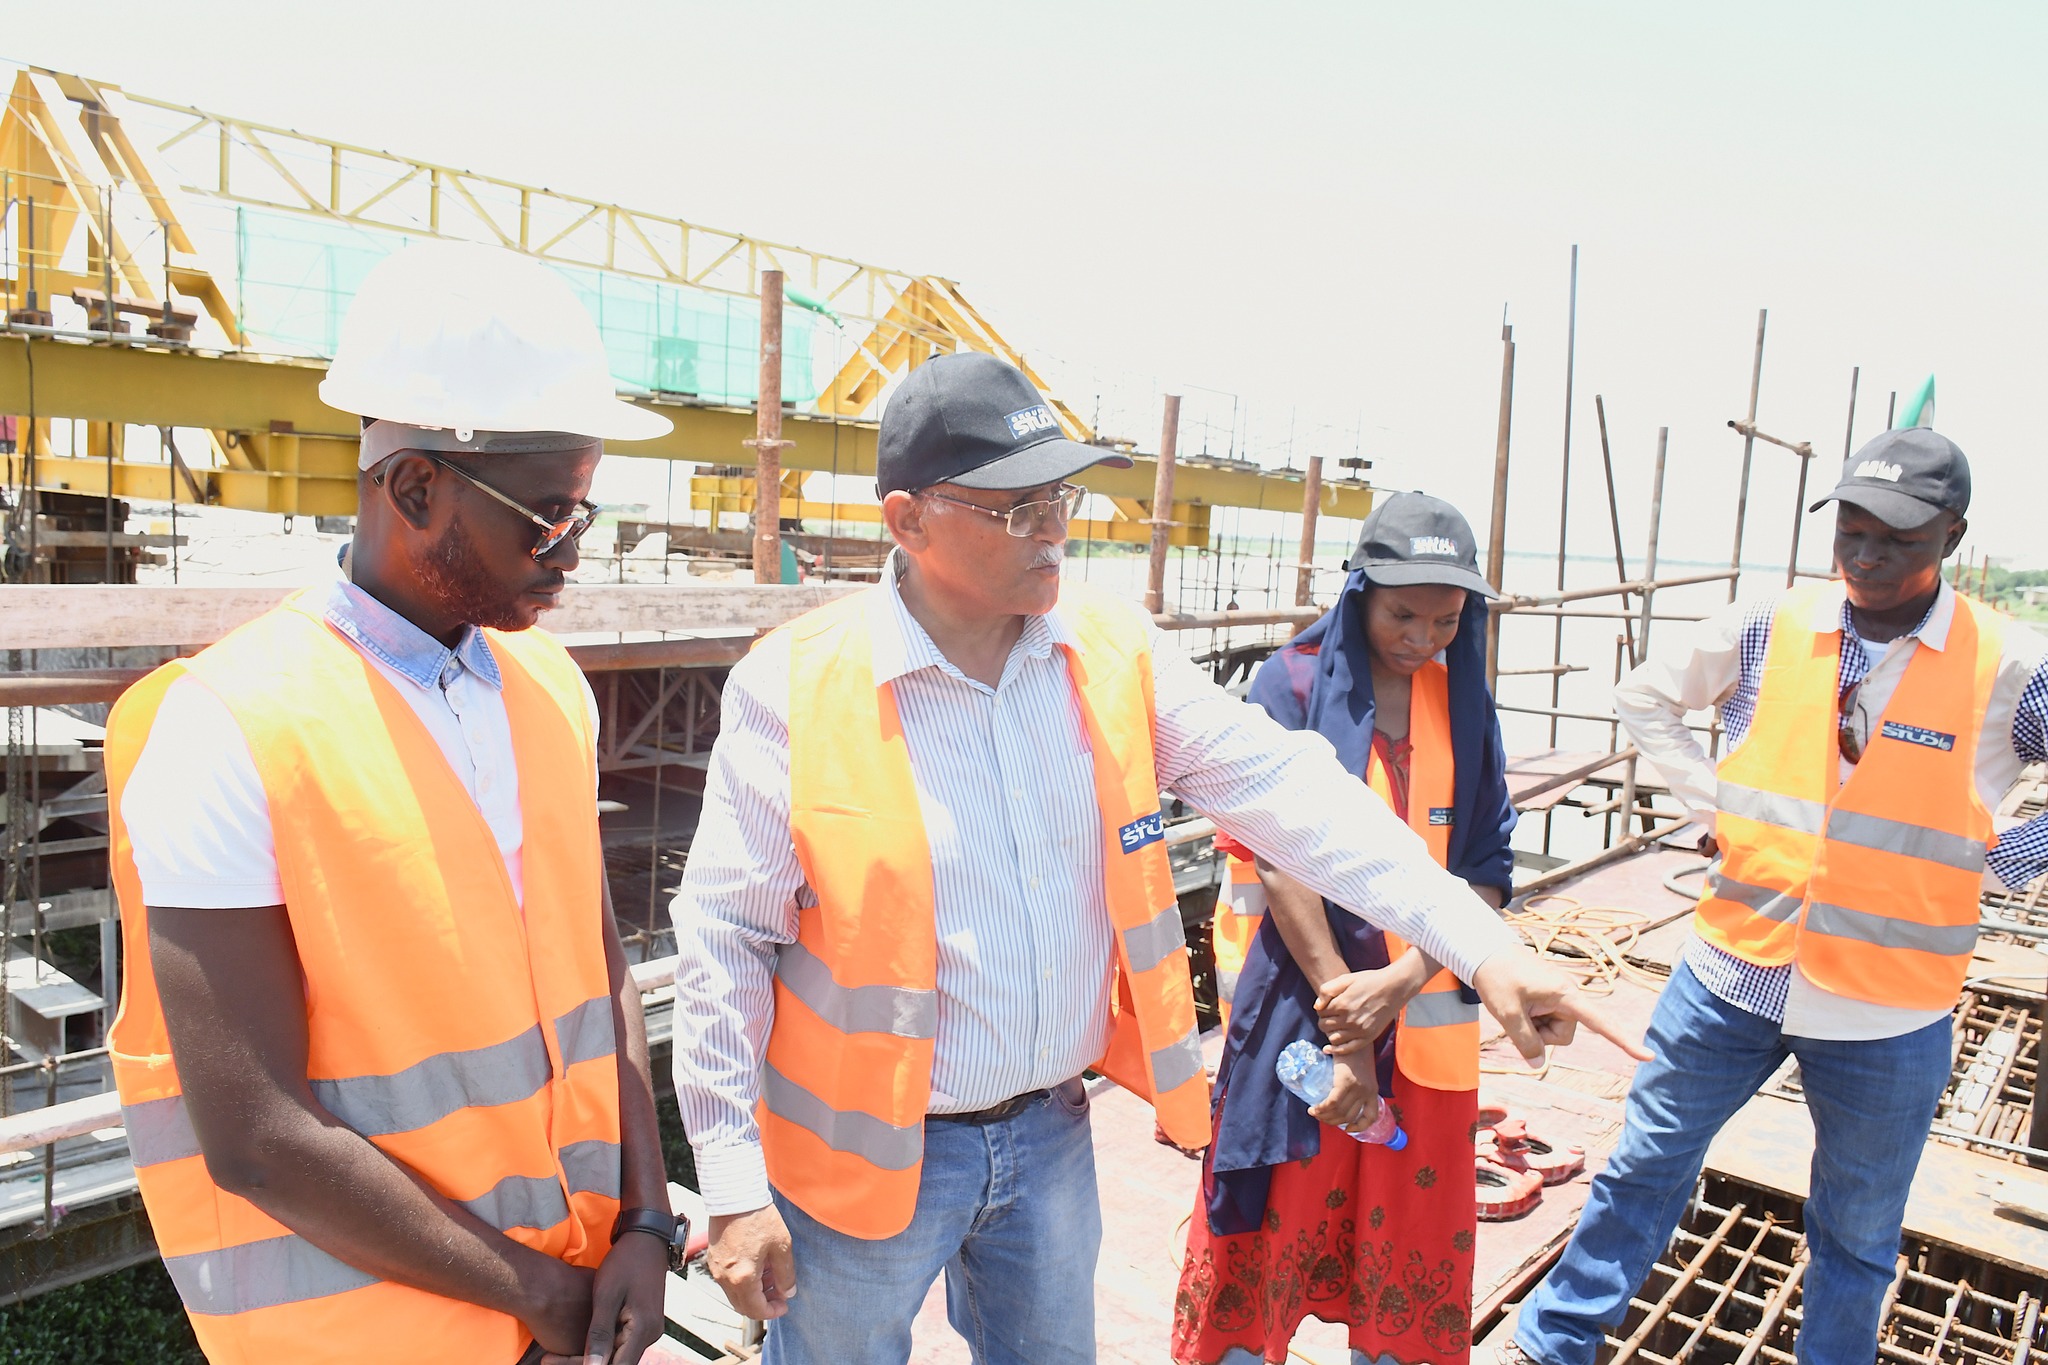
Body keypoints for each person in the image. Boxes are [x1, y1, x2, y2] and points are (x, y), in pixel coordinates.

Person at [669, 353, 1645, 1365]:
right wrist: (734, 1188)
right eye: (1015, 508)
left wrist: (1479, 946)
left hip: (1046, 1136)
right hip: (853, 1157)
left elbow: (1291, 793)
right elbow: (725, 941)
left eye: (1059, 497)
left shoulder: (1106, 651)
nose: (1053, 529)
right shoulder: (792, 687)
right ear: (907, 521)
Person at [103, 242, 683, 1365]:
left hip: (568, 1297)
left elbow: (597, 970)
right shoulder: (227, 727)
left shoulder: (546, 687)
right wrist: (540, 1294)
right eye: (548, 515)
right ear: (415, 487)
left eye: (585, 511)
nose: (572, 550)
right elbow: (258, 1138)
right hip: (375, 1337)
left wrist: (648, 1222)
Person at [1506, 428, 2048, 1365]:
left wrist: (2003, 858)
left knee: (1857, 1231)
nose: (1869, 554)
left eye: (1901, 539)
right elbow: (1645, 698)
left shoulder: (2004, 664)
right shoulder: (1772, 623)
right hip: (1732, 973)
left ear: (1952, 538)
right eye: (1853, 528)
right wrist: (1713, 809)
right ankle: (1555, 1341)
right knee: (1642, 1169)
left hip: (1887, 1009)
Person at [1174, 492, 1516, 1365]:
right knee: (1273, 1226)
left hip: (1427, 1023)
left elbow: (1485, 868)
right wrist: (1346, 1013)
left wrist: (1396, 987)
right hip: (1300, 1014)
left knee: (1405, 1244)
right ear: (1359, 589)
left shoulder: (1465, 702)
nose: (1422, 638)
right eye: (1403, 613)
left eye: (1446, 621)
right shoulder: (1285, 685)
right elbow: (1278, 855)